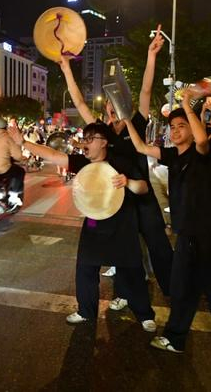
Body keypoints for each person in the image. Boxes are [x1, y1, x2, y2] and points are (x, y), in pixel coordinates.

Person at [124, 92, 211, 367]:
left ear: (193, 130)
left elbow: (203, 140)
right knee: (182, 288)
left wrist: (186, 105)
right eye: (172, 127)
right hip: (185, 236)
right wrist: (126, 119)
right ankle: (175, 338)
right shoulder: (173, 156)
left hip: (209, 234)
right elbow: (141, 147)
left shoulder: (200, 154)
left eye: (182, 126)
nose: (175, 130)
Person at [58, 24, 173, 297]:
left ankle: (173, 289)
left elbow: (146, 91)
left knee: (158, 244)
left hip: (140, 194)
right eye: (108, 104)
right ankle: (124, 295)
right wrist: (66, 69)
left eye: (116, 103)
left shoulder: (136, 123)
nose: (112, 109)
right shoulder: (102, 132)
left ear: (124, 104)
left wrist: (151, 56)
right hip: (116, 199)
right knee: (124, 251)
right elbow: (80, 104)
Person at [9, 122, 156, 330]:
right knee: (86, 266)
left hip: (122, 222)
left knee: (131, 269)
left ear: (103, 142)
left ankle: (144, 314)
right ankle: (86, 311)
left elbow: (143, 188)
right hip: (95, 221)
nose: (85, 143)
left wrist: (128, 182)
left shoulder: (121, 162)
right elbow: (53, 155)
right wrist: (23, 142)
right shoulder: (83, 162)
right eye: (84, 139)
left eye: (90, 139)